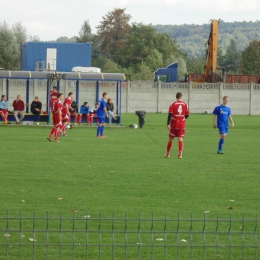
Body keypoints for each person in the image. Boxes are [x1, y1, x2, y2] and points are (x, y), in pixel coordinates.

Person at [165, 92, 190, 159]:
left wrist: (168, 124)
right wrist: (183, 118)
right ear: (181, 97)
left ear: (176, 97)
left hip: (174, 123)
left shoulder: (172, 104)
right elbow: (187, 114)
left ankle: (168, 153)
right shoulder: (185, 104)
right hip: (181, 124)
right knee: (180, 139)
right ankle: (180, 154)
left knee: (171, 139)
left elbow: (170, 115)